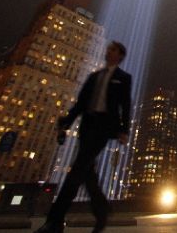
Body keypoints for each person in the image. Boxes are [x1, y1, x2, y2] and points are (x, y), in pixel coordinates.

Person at [35, 41, 132, 233]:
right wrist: (66, 123)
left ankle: (54, 221)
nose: (108, 51)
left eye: (113, 49)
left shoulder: (123, 78)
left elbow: (125, 104)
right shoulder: (94, 77)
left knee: (77, 170)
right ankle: (102, 209)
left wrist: (124, 130)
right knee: (87, 173)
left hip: (104, 128)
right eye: (109, 48)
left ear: (120, 55)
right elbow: (80, 104)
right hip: (87, 127)